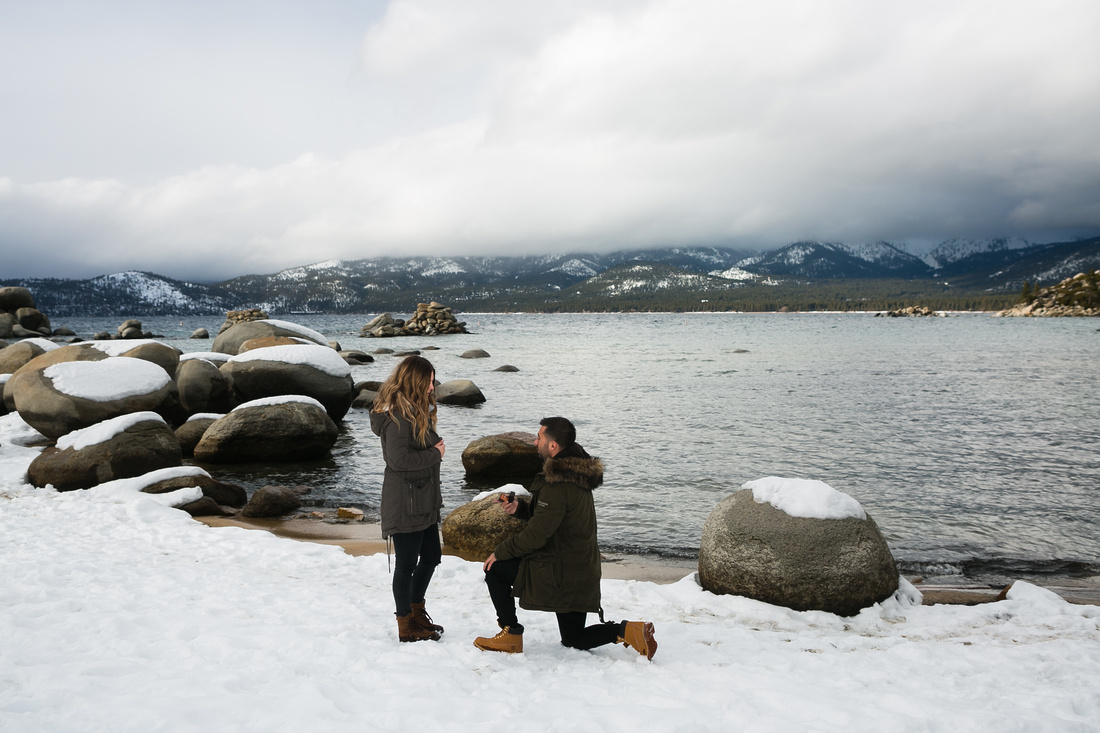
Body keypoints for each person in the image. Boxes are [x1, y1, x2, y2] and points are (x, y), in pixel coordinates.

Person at [474, 417, 657, 659]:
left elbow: (537, 535)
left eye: (539, 437)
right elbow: (552, 517)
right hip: (580, 569)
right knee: (574, 638)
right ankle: (628, 631)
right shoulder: (576, 471)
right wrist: (520, 508)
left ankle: (511, 634)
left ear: (553, 446)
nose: (535, 441)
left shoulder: (558, 483)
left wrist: (500, 551)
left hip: (559, 570)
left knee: (495, 568)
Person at [370, 355, 446, 643]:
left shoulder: (414, 411)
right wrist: (435, 454)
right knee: (406, 565)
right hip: (405, 502)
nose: (432, 386)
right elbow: (398, 459)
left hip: (422, 500)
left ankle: (416, 613)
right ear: (415, 380)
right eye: (428, 380)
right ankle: (406, 625)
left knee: (431, 557)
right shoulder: (397, 417)